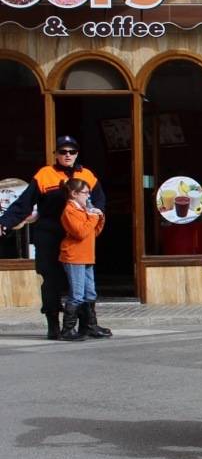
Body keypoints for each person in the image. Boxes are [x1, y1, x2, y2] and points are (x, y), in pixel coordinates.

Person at [0, 135, 106, 340]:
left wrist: (93, 222)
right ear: (55, 154)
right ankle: (54, 326)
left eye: (71, 151)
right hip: (49, 235)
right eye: (63, 151)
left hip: (77, 235)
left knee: (83, 282)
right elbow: (24, 204)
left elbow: (99, 202)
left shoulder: (88, 175)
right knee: (51, 281)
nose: (67, 155)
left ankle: (88, 325)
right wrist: (5, 222)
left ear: (77, 154)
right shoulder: (44, 174)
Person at [58, 178, 108, 341]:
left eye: (88, 193)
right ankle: (67, 330)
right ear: (74, 194)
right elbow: (79, 233)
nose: (88, 196)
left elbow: (92, 233)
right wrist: (92, 218)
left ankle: (88, 326)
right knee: (77, 294)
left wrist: (99, 218)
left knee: (90, 292)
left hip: (87, 255)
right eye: (85, 193)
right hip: (74, 256)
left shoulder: (84, 210)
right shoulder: (70, 210)